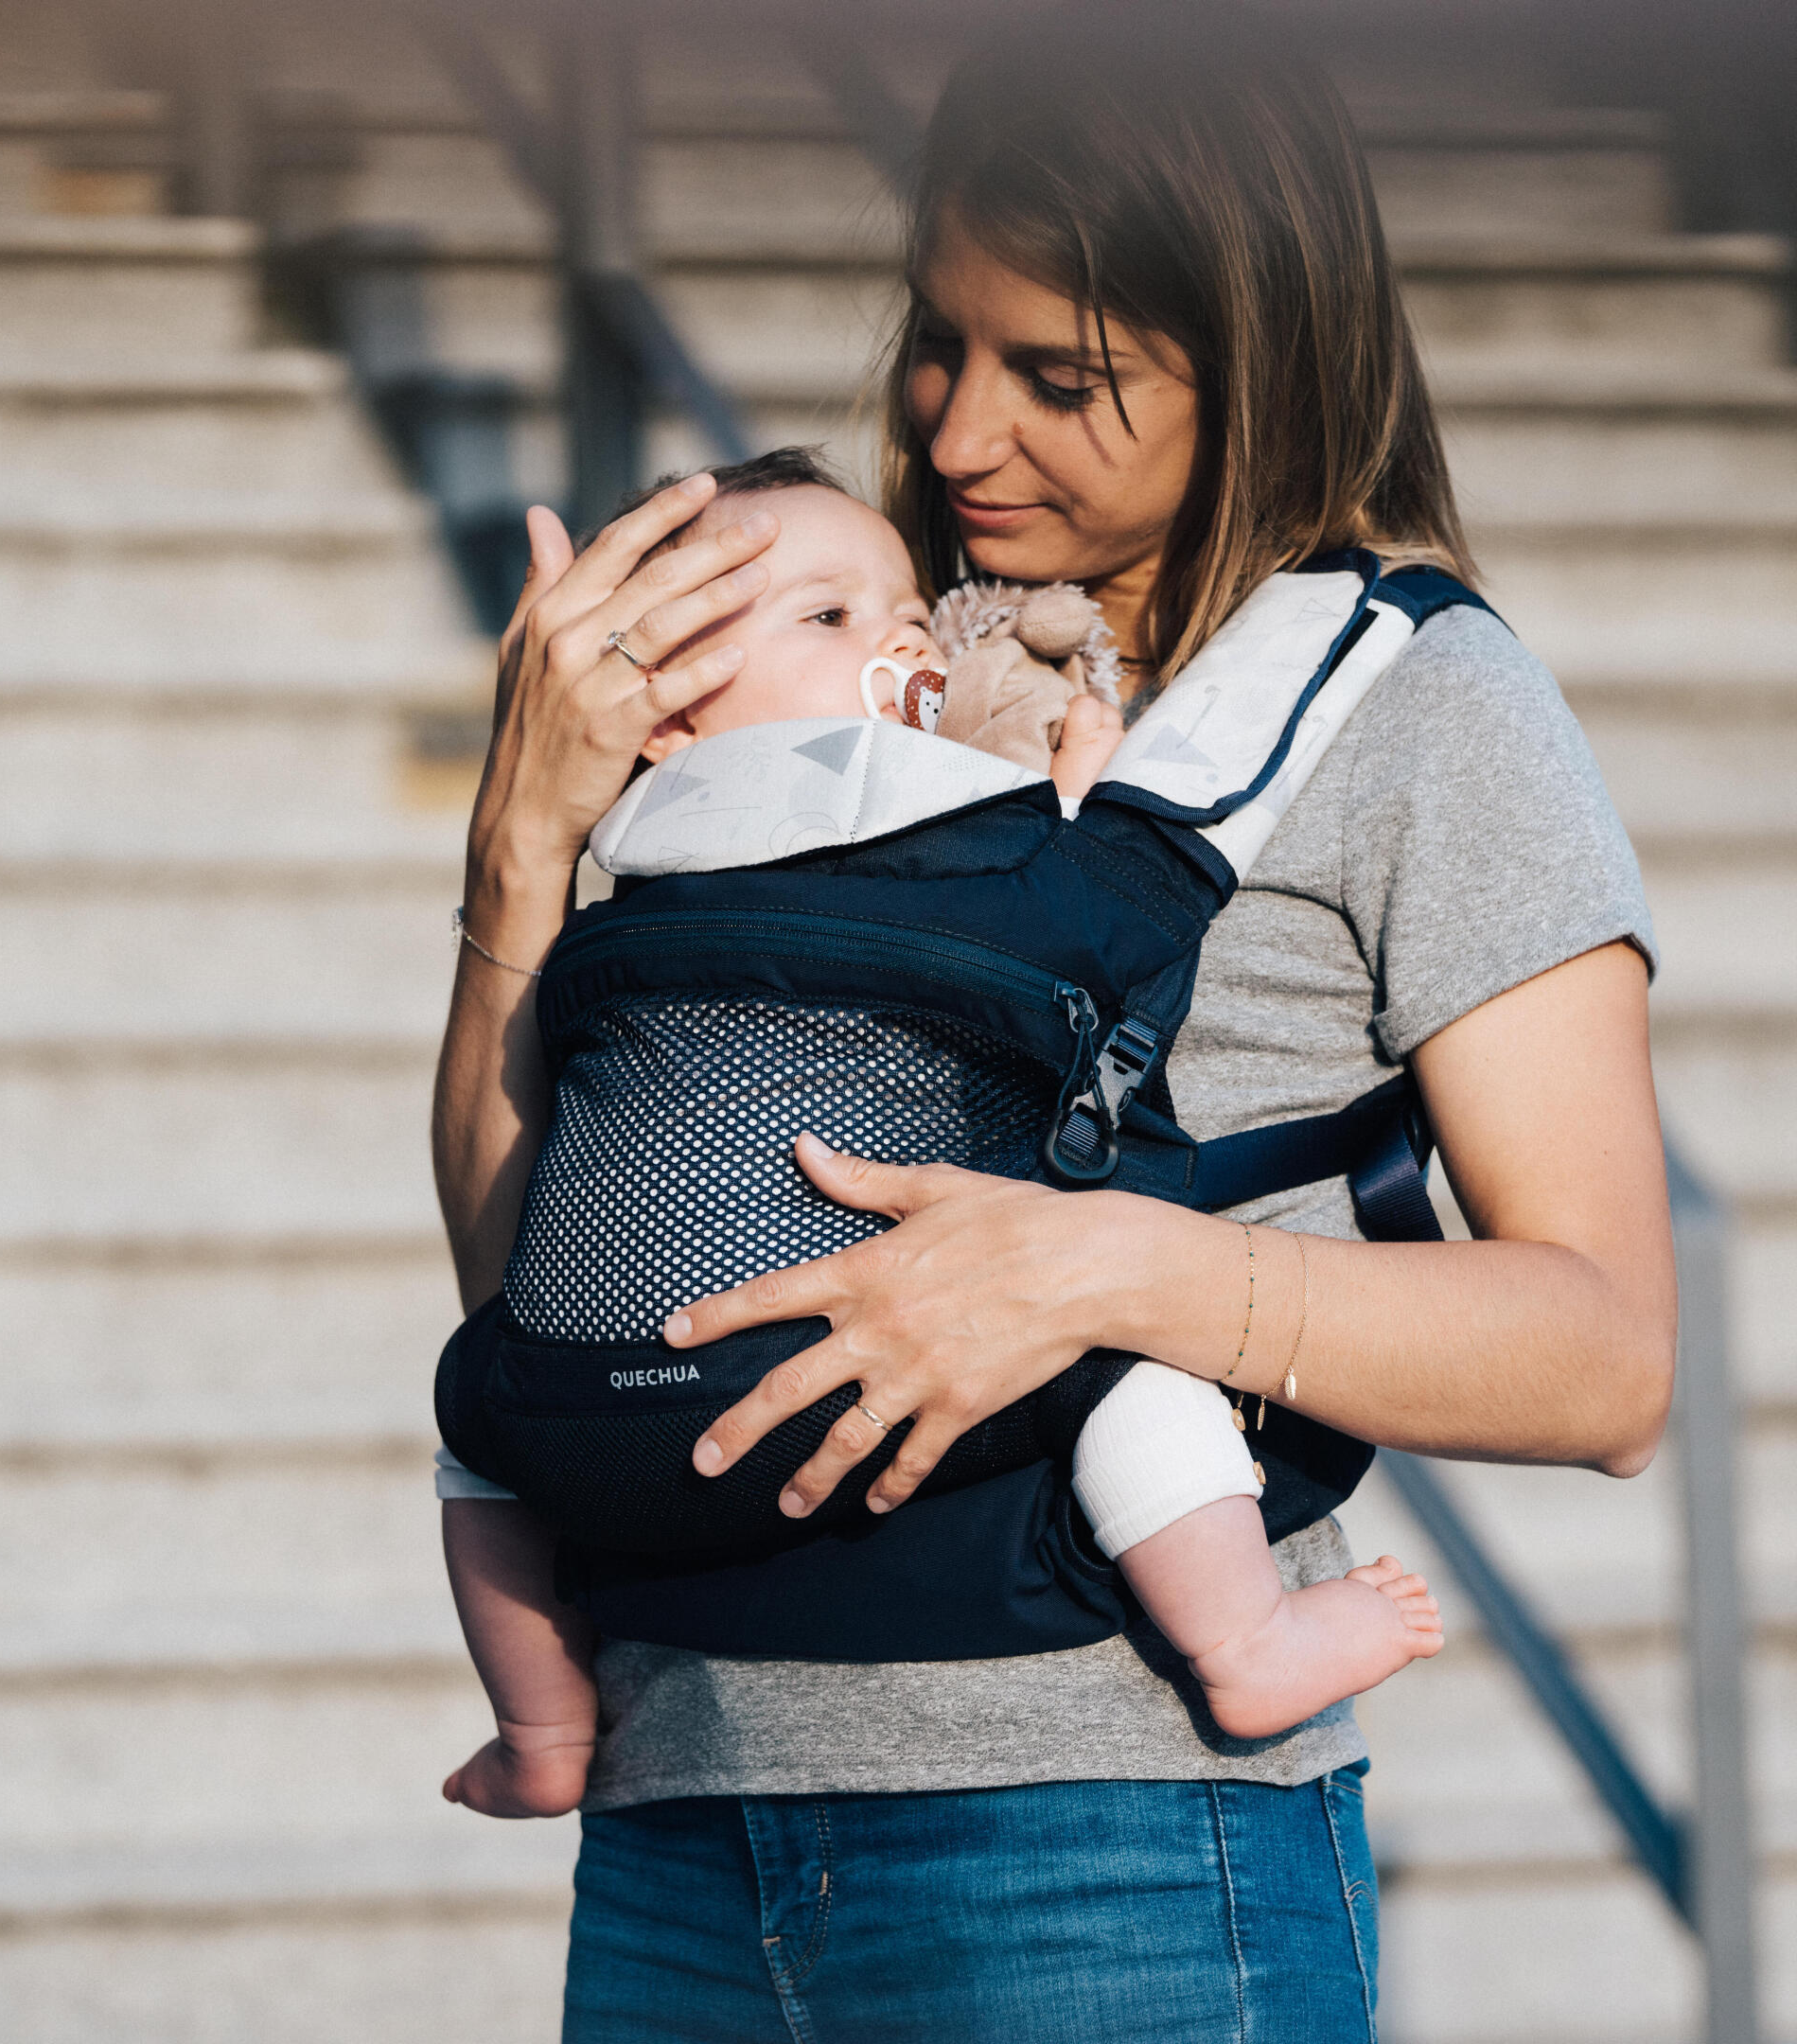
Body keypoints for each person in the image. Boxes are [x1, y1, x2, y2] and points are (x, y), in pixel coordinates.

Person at [432, 9, 1673, 2037]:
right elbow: (539, 1275)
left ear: (1255, 354)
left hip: (1100, 1846)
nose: (954, 434)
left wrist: (1103, 1272)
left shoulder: (1416, 702)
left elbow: (1609, 1358)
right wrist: (518, 864)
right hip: (677, 1822)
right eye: (938, 340)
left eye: (1061, 376)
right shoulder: (827, 682)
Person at [436, 453, 1443, 1826]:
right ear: (656, 715)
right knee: (1129, 1370)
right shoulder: (962, 829)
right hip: (838, 1428)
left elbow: (510, 1241)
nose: (904, 634)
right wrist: (1077, 810)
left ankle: (540, 1720)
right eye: (830, 618)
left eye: (908, 607)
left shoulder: (630, 872)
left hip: (603, 1407)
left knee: (473, 1426)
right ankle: (1245, 1640)